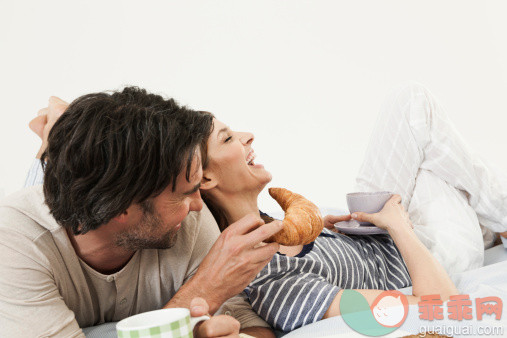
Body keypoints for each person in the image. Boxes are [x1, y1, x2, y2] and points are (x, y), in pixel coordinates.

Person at [197, 82, 507, 331]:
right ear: (206, 178)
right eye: (227, 140)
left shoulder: (278, 224)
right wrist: (398, 226)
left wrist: (334, 236)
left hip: (382, 231)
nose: (247, 136)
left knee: (411, 106)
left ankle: (493, 224)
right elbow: (438, 305)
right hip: (432, 254)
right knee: (434, 161)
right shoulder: (277, 287)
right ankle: (497, 222)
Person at [0, 87, 281, 337]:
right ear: (119, 207)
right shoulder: (16, 242)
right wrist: (204, 289)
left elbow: (250, 325)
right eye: (184, 195)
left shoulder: (190, 222)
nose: (198, 203)